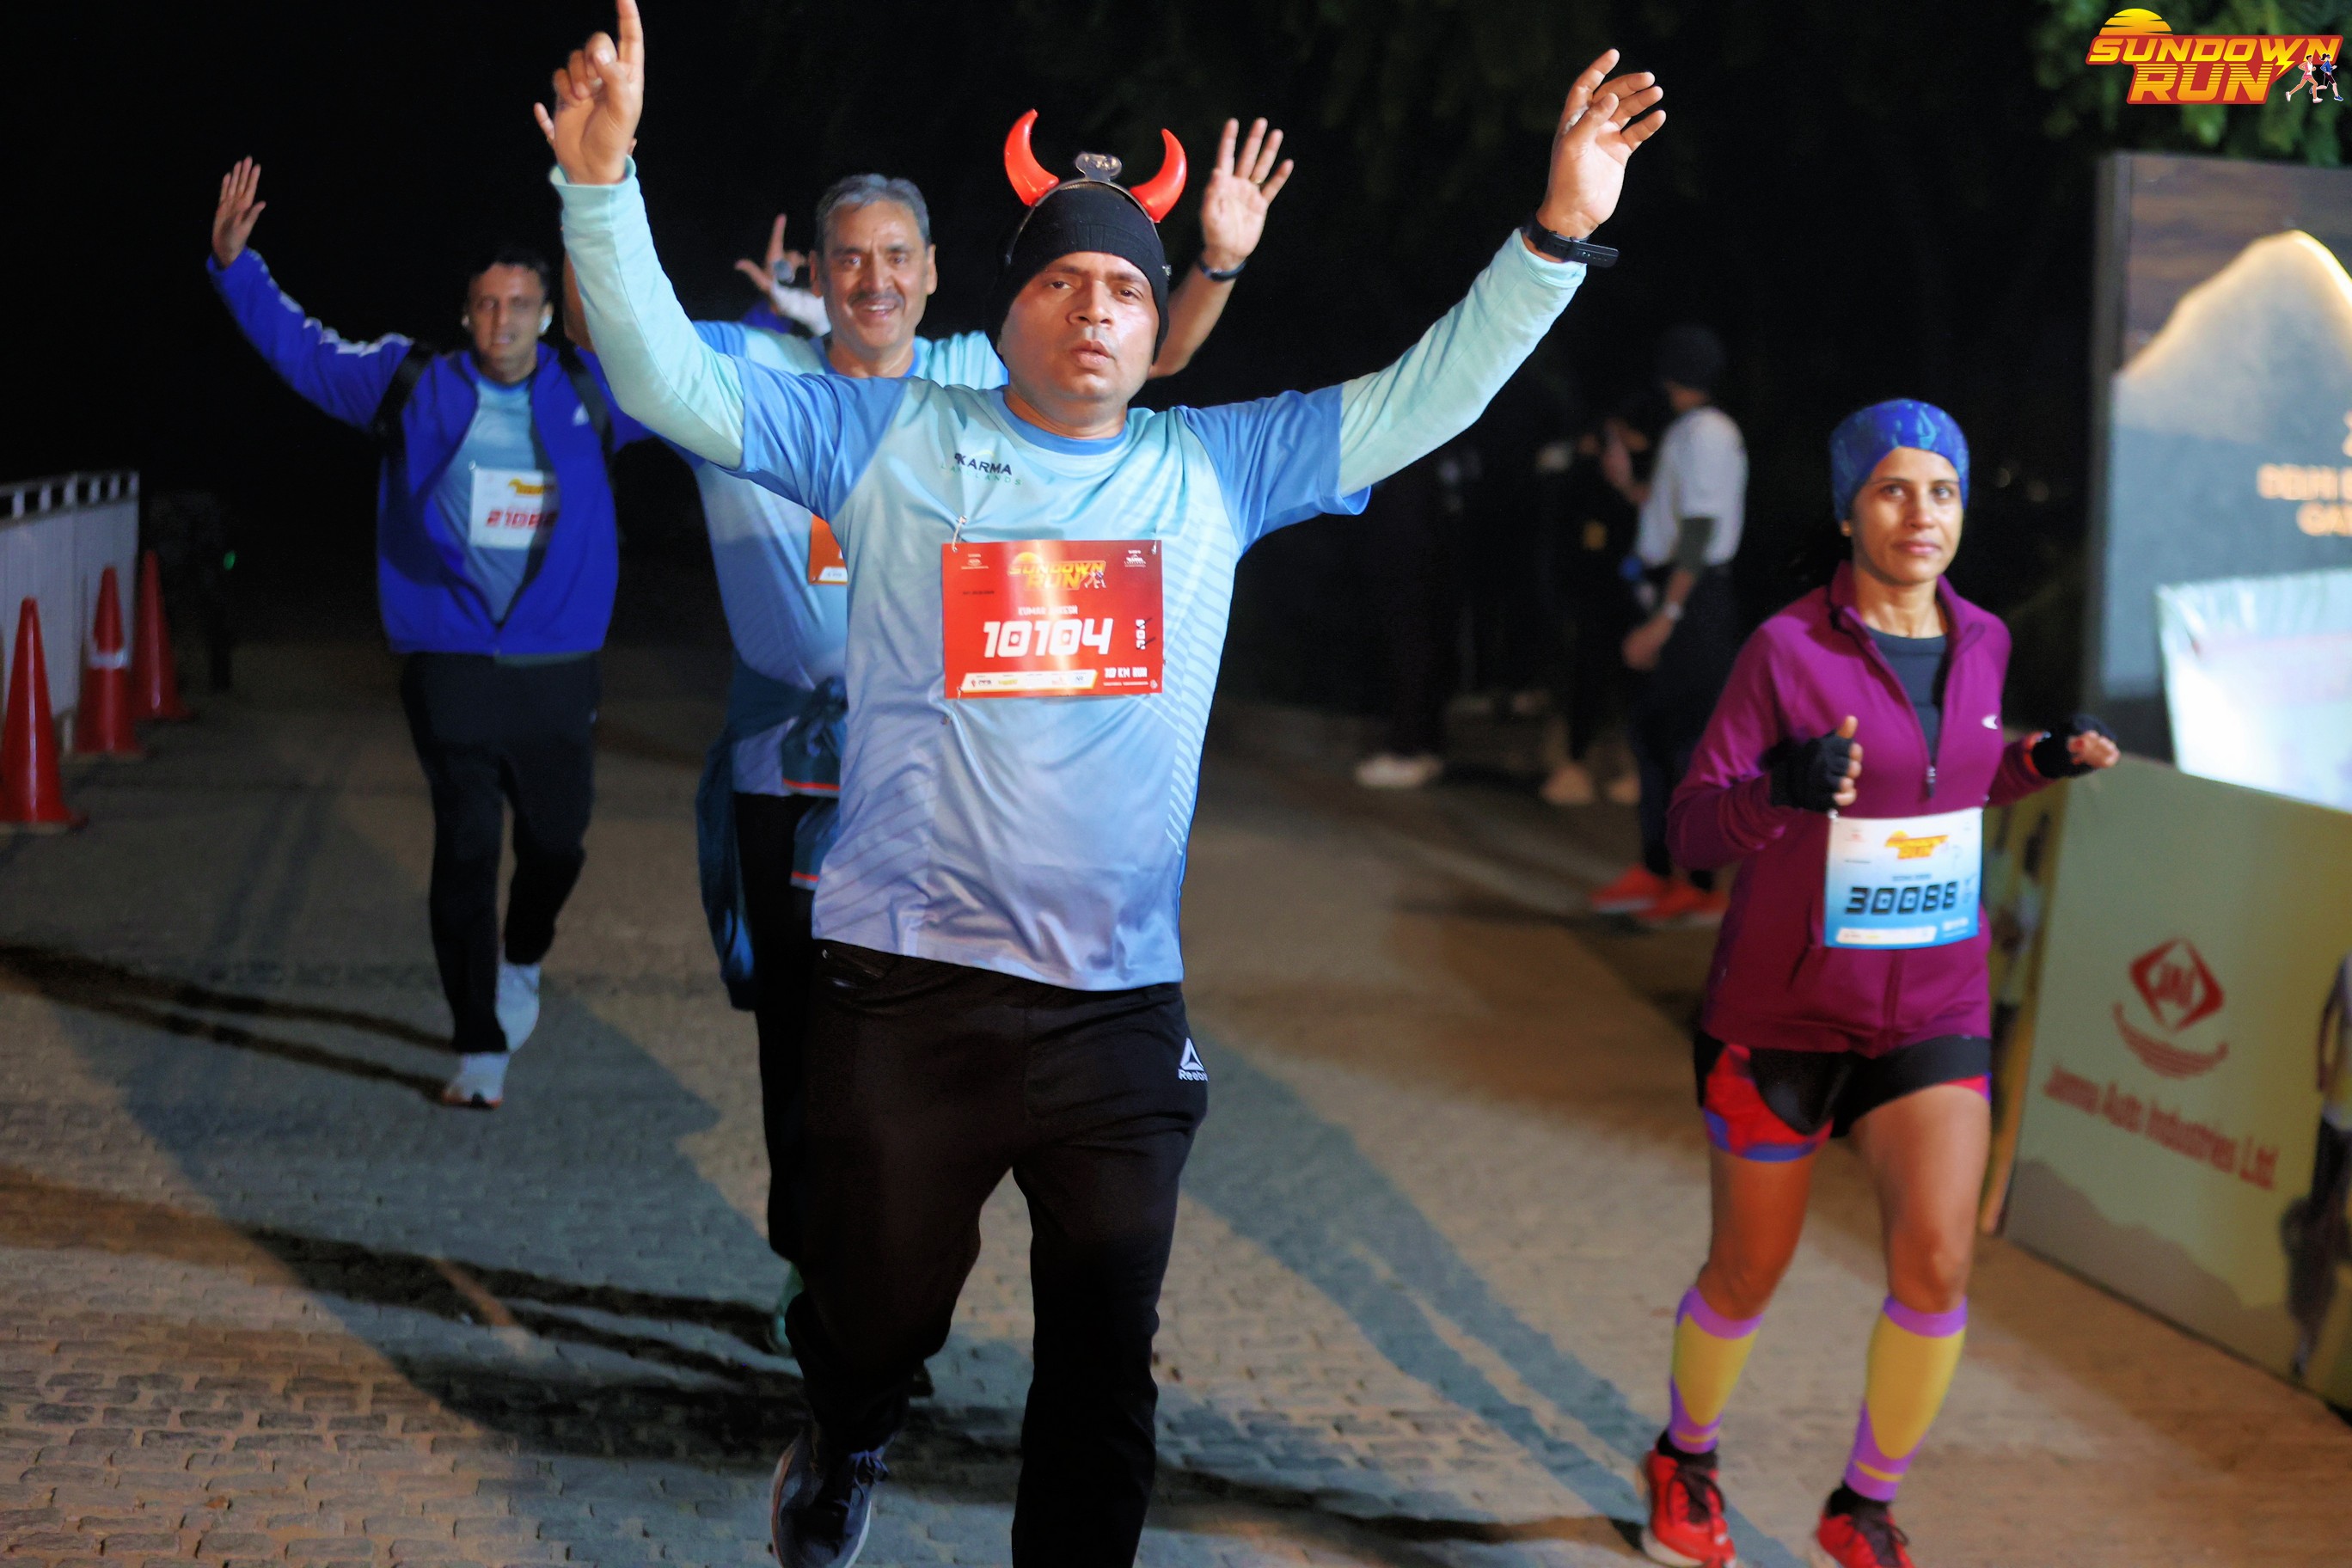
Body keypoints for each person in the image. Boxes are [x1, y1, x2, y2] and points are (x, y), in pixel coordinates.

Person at [537, 7, 1661, 1561]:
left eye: (1127, 287)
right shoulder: (887, 434)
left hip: (1114, 1008)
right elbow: (665, 377)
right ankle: (849, 1424)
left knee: (1103, 1365)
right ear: (1004, 316)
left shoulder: (1212, 468)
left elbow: (1424, 396)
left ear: (1154, 331)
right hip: (905, 985)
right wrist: (602, 190)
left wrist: (1554, 237)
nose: (1096, 308)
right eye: (1062, 281)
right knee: (876, 1309)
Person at [560, 134, 1292, 1354]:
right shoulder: (758, 367)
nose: (875, 279)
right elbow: (619, 345)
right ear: (818, 272)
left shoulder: (966, 375)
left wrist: (1211, 262)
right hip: (787, 764)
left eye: (897, 256)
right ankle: (819, 1271)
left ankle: (881, 1294)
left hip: (930, 793)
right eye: (850, 258)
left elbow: (1142, 355)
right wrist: (590, 190)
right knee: (798, 1039)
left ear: (937, 272)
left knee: (889, 1055)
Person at [1635, 400, 2118, 1568]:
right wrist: (1783, 788)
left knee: (1939, 1264)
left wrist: (2038, 760)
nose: (1922, 513)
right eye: (1895, 489)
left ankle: (1863, 1506)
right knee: (1747, 1272)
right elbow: (1693, 824)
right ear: (1849, 510)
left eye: (1943, 491)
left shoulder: (1985, 640)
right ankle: (1685, 1457)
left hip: (1935, 1008)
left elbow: (1956, 780)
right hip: (1783, 1016)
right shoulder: (1785, 651)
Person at [206, 158, 658, 1111]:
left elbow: (698, 377)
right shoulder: (411, 381)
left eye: (521, 305)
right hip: (449, 655)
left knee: (557, 844)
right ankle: (477, 1042)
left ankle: (523, 955)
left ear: (547, 315)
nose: (503, 321)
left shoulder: (594, 390)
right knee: (465, 844)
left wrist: (787, 315)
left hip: (556, 661)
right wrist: (239, 269)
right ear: (466, 313)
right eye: (487, 305)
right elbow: (305, 353)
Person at [1588, 324, 1745, 927]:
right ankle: (1657, 870)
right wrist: (1629, 484)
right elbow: (1673, 513)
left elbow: (1700, 533)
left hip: (1694, 599)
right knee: (1653, 735)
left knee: (1686, 745)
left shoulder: (1706, 433)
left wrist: (1664, 619)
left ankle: (1699, 884)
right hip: (1682, 592)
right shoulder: (1693, 430)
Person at [1538, 407, 1645, 806]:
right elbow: (1563, 546)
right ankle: (1574, 764)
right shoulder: (1579, 484)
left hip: (1629, 603)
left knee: (1628, 687)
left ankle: (1630, 769)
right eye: (1608, 442)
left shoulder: (1641, 481)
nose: (1616, 451)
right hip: (1588, 603)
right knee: (1584, 680)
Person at [2288, 952, 2352, 1376]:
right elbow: (2327, 1013)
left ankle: (2309, 1338)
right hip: (2332, 1114)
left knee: (2330, 1222)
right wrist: (2320, 1064)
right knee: (2315, 1220)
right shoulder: (2349, 966)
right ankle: (2305, 1328)